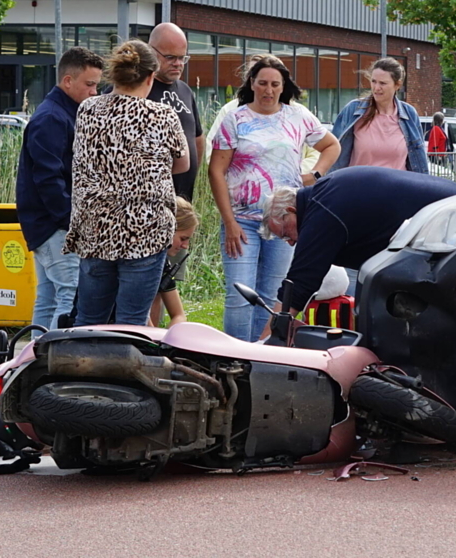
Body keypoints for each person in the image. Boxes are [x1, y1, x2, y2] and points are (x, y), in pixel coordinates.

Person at [209, 54, 341, 341]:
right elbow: (215, 171)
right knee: (239, 297)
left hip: (284, 224)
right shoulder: (235, 118)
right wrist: (228, 221)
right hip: (241, 222)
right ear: (252, 84)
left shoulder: (299, 116)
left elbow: (332, 145)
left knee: (271, 298)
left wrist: (314, 176)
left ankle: (260, 359)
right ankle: (231, 358)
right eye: (263, 83)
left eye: (275, 84)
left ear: (284, 87)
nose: (268, 90)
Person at [64, 40, 190, 325]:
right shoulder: (162, 115)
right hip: (145, 230)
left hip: (96, 229)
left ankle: (83, 368)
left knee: (89, 319)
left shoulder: (88, 110)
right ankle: (123, 368)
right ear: (149, 78)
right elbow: (183, 163)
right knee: (131, 321)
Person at [259, 166, 456, 331]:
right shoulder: (324, 195)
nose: (291, 242)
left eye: (286, 233)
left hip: (452, 217)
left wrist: (266, 344)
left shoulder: (321, 211)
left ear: (291, 210)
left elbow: (298, 284)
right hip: (452, 204)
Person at [15, 47, 104, 334]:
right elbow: (48, 179)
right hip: (55, 224)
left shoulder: (58, 113)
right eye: (89, 85)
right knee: (70, 293)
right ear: (68, 81)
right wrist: (71, 223)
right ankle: (51, 361)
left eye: (97, 85)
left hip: (46, 223)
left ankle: (31, 361)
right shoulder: (53, 117)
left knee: (50, 296)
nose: (94, 92)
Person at [330, 57, 429, 173]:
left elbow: (419, 158)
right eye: (373, 81)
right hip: (359, 187)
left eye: (383, 83)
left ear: (397, 85)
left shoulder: (409, 114)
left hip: (398, 189)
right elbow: (333, 152)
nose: (376, 88)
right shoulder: (353, 110)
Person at [148, 23, 205, 201]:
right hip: (149, 204)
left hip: (182, 203)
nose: (178, 64)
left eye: (183, 58)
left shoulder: (185, 90)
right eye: (171, 57)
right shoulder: (136, 89)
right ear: (151, 51)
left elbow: (197, 138)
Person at [149, 197, 199, 327]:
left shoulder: (161, 262)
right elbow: (138, 314)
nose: (185, 246)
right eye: (183, 238)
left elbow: (179, 315)